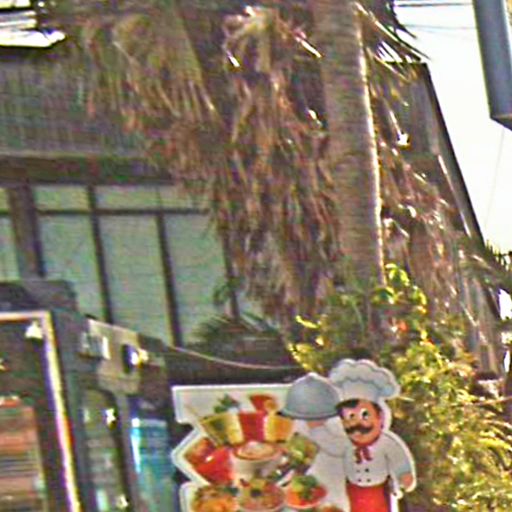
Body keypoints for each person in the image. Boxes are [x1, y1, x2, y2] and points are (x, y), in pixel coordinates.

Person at [329, 359, 416, 512]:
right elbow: (330, 448)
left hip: (378, 491)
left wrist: (403, 474)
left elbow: (398, 458)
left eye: (364, 415)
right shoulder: (345, 444)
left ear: (380, 417)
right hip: (354, 491)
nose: (357, 424)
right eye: (350, 417)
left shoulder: (386, 443)